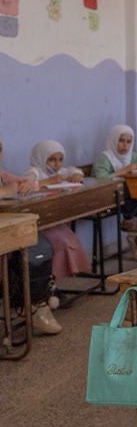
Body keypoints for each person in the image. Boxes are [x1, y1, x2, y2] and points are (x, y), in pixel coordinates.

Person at [0, 140, 60, 334]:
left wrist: (27, 185)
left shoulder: (1, 174)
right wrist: (3, 191)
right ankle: (34, 305)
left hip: (6, 230)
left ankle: (36, 303)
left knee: (36, 242)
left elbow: (26, 182)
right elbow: (7, 190)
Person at [93, 125, 137, 260]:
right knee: (128, 187)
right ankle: (129, 220)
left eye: (129, 141)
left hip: (130, 201)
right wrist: (122, 172)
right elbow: (99, 179)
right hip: (110, 200)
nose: (125, 145)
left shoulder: (132, 156)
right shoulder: (105, 158)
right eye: (121, 140)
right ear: (113, 140)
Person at [23, 140, 90, 280]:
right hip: (41, 221)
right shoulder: (35, 171)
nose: (57, 164)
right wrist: (46, 182)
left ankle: (58, 279)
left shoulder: (61, 172)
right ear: (41, 158)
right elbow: (25, 183)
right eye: (52, 160)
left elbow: (73, 170)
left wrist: (76, 175)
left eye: (60, 160)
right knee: (59, 245)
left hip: (55, 219)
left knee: (71, 242)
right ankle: (49, 281)